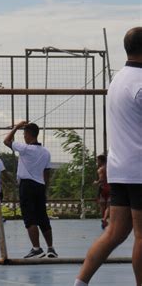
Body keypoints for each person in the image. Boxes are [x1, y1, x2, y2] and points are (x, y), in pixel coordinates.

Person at [74, 27, 142, 286]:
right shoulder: (140, 83)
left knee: (116, 231)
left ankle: (80, 282)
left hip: (121, 169)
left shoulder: (118, 79)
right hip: (139, 170)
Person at [4, 121, 57, 259]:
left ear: (28, 134)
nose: (24, 137)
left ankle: (36, 248)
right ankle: (51, 248)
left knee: (29, 218)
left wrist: (16, 127)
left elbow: (7, 141)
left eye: (24, 133)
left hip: (27, 186)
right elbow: (47, 173)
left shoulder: (25, 149)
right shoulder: (46, 152)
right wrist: (44, 189)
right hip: (40, 186)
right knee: (42, 217)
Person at [93, 154, 110, 229]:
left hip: (103, 188)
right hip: (110, 188)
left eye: (97, 160)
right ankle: (104, 219)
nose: (97, 162)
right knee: (109, 206)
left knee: (103, 206)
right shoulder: (110, 168)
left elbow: (102, 179)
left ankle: (104, 219)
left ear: (101, 160)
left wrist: (96, 182)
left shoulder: (100, 169)